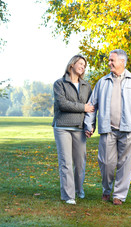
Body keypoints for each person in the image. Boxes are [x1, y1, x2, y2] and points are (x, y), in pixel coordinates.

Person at [84, 49, 131, 205]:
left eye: (112, 60)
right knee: (106, 163)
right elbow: (92, 105)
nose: (109, 63)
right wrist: (89, 124)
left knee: (125, 164)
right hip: (108, 130)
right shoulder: (102, 82)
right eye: (109, 60)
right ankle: (107, 189)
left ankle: (119, 195)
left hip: (129, 130)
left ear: (122, 62)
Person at [52, 54, 94, 205]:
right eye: (80, 63)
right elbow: (63, 104)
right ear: (72, 65)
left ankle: (78, 189)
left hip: (79, 128)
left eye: (84, 65)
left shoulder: (86, 86)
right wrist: (83, 107)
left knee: (80, 162)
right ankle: (68, 195)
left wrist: (91, 126)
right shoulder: (59, 84)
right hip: (62, 127)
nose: (83, 67)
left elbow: (92, 108)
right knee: (66, 162)